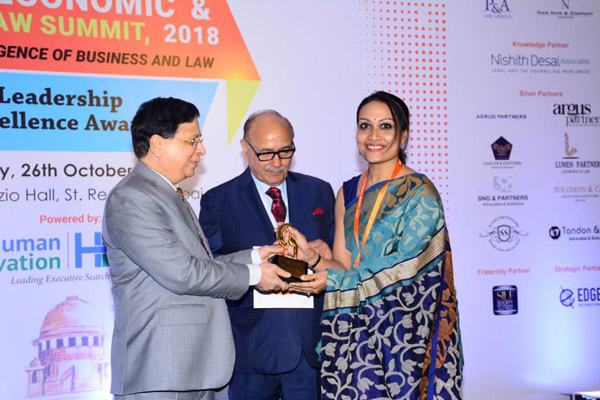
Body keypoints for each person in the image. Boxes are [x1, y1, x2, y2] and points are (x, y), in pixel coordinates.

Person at [102, 97, 291, 400]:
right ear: (157, 144)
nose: (201, 150)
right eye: (193, 141)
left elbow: (201, 262)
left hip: (195, 367)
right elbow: (183, 273)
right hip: (162, 372)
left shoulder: (168, 194)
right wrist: (255, 275)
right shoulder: (132, 198)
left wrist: (256, 256)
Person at [287, 91, 463, 399]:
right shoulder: (347, 193)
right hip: (352, 335)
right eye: (365, 125)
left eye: (385, 126)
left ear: (403, 136)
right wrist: (312, 258)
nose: (373, 136)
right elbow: (343, 266)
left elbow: (408, 272)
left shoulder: (421, 194)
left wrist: (335, 281)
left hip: (402, 336)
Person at [199, 110, 335, 400]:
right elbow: (210, 270)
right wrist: (254, 271)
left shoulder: (319, 192)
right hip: (251, 350)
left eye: (285, 151)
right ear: (245, 148)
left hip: (310, 349)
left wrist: (326, 257)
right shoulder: (218, 201)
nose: (277, 162)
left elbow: (339, 263)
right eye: (265, 154)